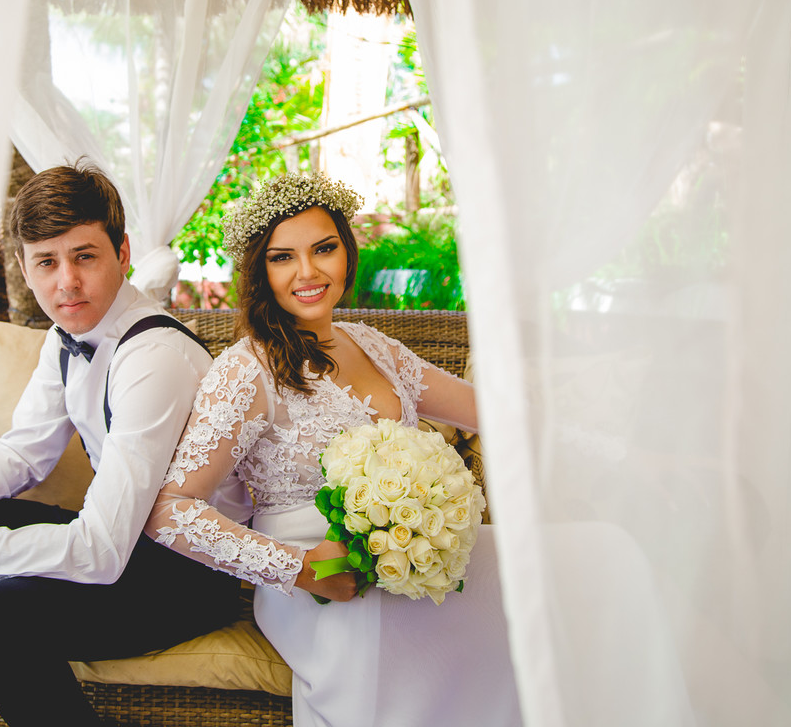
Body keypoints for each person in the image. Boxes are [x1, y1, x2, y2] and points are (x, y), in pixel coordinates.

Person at [144, 173, 523, 727]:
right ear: (259, 270)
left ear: (347, 251)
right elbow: (169, 510)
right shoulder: (246, 371)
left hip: (405, 552)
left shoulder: (372, 344)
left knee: (581, 556)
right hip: (315, 578)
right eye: (283, 257)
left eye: (324, 248)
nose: (309, 272)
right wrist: (299, 568)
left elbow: (491, 412)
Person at [0, 160, 247, 727]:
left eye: (85, 256)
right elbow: (21, 457)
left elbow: (101, 553)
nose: (67, 283)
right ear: (26, 269)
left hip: (188, 572)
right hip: (119, 535)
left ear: (122, 254)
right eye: (47, 262)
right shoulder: (66, 338)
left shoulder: (153, 357)